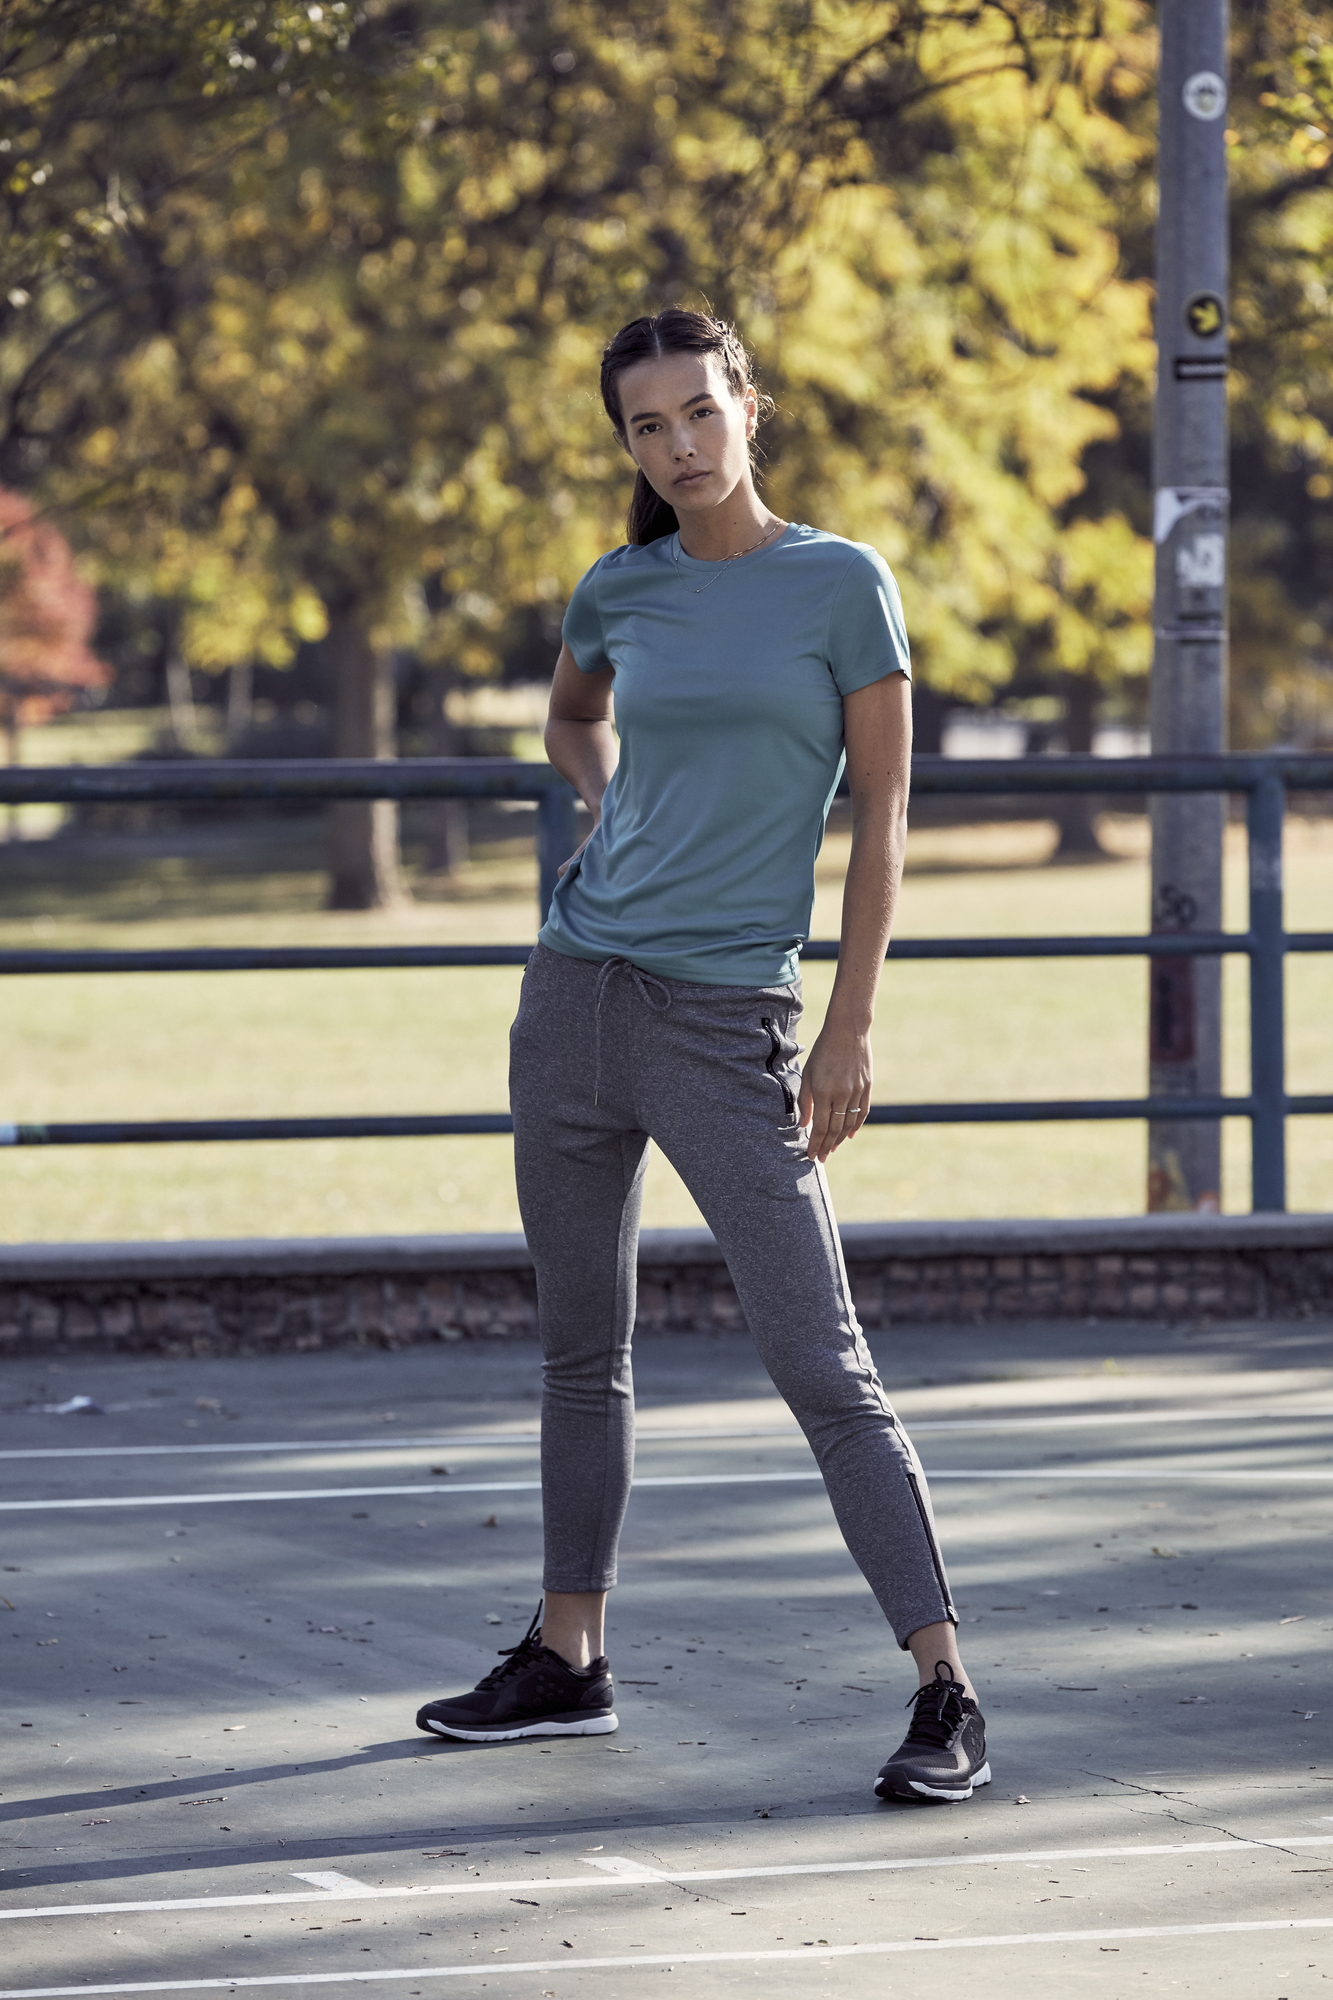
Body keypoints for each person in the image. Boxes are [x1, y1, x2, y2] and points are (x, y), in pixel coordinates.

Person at [415, 307, 989, 1804]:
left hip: (727, 1021)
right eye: (644, 426)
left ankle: (945, 1689)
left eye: (697, 413)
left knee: (820, 1360)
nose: (675, 445)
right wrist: (610, 809)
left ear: (749, 405)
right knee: (578, 1352)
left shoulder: (841, 584)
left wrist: (851, 1025)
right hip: (571, 1003)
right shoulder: (620, 585)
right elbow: (571, 717)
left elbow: (884, 816)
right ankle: (569, 1660)